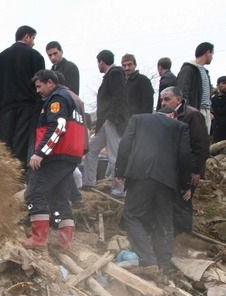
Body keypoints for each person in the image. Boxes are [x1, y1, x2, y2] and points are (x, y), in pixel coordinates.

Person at [115, 108, 191, 273]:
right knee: (164, 222)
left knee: (132, 215)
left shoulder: (138, 118)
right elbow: (185, 156)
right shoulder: (180, 127)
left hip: (140, 175)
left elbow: (125, 144)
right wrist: (185, 184)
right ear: (172, 116)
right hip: (167, 180)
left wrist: (120, 171)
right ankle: (164, 266)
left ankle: (148, 259)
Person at [22, 70, 85, 250]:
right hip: (70, 155)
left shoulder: (57, 99)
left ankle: (38, 238)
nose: (37, 91)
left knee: (35, 191)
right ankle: (65, 241)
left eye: (39, 86)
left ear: (50, 82)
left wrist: (41, 152)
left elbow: (58, 127)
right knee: (59, 195)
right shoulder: (74, 99)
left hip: (57, 154)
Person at [0, 25, 46, 163]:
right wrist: (40, 106)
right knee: (22, 144)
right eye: (33, 38)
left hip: (5, 109)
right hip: (28, 108)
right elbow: (40, 83)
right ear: (27, 36)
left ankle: (6, 176)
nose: (34, 43)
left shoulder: (0, 58)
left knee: (5, 145)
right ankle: (19, 176)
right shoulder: (35, 56)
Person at [159, 86, 210, 234]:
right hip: (172, 167)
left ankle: (184, 236)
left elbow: (201, 145)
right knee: (172, 200)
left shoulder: (192, 115)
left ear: (179, 99)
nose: (163, 103)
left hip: (188, 167)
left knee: (183, 202)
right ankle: (172, 234)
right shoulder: (168, 115)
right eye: (162, 99)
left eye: (167, 99)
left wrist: (196, 170)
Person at [81, 50, 128, 192]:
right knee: (91, 150)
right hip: (105, 122)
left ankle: (118, 190)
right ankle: (89, 183)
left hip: (113, 121)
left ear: (101, 61)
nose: (98, 66)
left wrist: (110, 117)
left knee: (114, 156)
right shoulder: (111, 75)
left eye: (98, 63)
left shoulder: (115, 73)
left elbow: (117, 97)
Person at [177, 42, 215, 132]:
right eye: (212, 54)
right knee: (195, 139)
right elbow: (182, 91)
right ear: (207, 53)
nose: (212, 57)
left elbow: (207, 94)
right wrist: (189, 111)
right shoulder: (188, 69)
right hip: (196, 110)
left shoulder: (205, 72)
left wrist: (210, 110)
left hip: (206, 110)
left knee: (204, 140)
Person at [212, 76, 226, 142]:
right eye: (223, 83)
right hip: (218, 129)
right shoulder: (214, 98)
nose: (225, 85)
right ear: (217, 85)